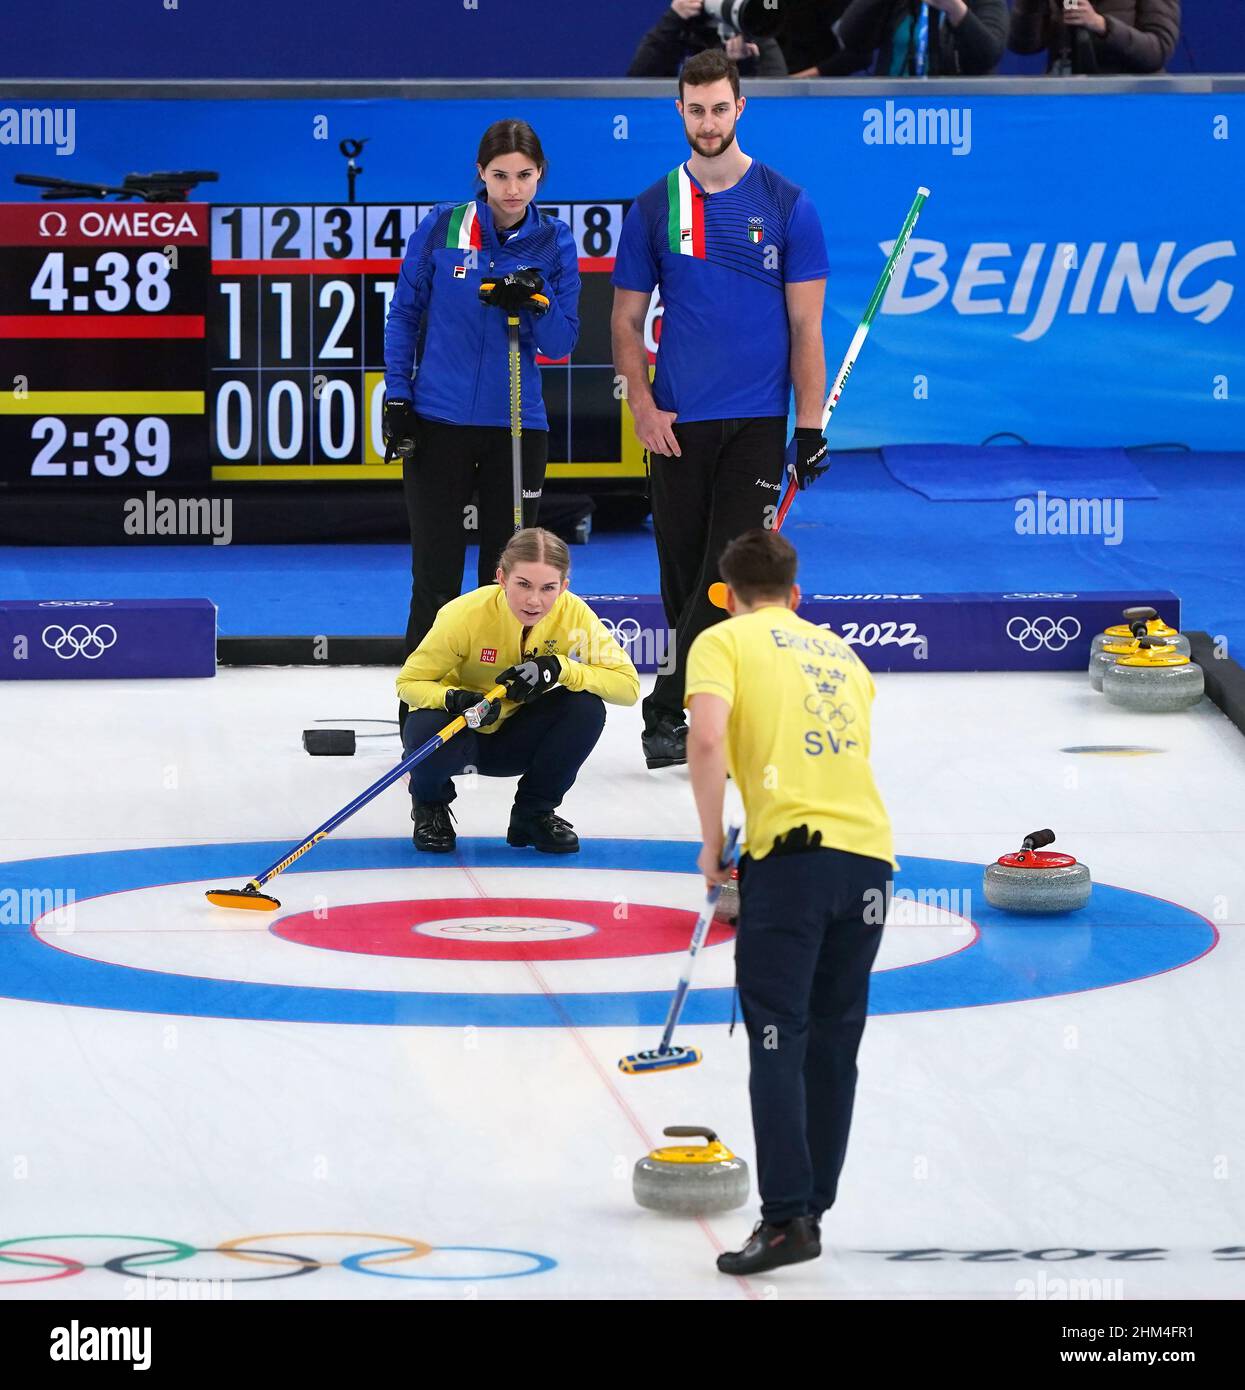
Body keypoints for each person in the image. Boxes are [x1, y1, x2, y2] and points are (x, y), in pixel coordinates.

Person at [684, 529, 896, 1276]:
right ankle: (810, 1206)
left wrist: (712, 845)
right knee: (834, 1039)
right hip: (870, 862)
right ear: (796, 594)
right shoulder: (843, 655)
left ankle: (784, 1221)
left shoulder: (723, 640)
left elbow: (706, 740)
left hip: (792, 868)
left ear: (727, 593)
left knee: (776, 1036)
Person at [611, 49, 830, 772]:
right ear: (679, 112)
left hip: (757, 427)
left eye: (719, 108)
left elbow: (806, 329)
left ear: (741, 109)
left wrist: (809, 426)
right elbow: (624, 321)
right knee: (682, 580)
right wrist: (641, 406)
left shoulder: (786, 204)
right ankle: (708, 706)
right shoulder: (652, 208)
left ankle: (664, 713)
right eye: (695, 109)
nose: (708, 122)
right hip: (675, 423)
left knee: (721, 574)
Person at [383, 119, 582, 734]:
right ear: (480, 174)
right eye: (500, 175)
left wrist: (536, 301)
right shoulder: (443, 227)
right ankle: (421, 705)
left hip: (517, 429)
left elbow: (563, 343)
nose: (512, 188)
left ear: (540, 175)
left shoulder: (553, 242)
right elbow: (404, 316)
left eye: (524, 176)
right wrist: (398, 397)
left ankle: (506, 702)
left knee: (511, 578)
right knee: (434, 572)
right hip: (439, 423)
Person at [395, 527, 639, 854]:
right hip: (461, 731)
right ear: (501, 577)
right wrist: (453, 698)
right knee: (425, 725)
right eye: (523, 584)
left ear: (564, 586)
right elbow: (408, 684)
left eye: (548, 588)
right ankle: (430, 805)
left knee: (586, 708)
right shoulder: (463, 614)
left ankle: (533, 812)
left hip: (518, 738)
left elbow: (627, 687)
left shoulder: (575, 614)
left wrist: (561, 668)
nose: (534, 600)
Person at [792, 0, 1006, 76]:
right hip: (891, 119)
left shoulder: (982, 2)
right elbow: (852, 37)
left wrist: (956, 9)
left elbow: (988, 55)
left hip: (958, 119)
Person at [1008, 0, 1179, 74]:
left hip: (1127, 102)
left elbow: (1159, 49)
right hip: (1065, 99)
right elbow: (1023, 46)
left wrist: (1102, 25)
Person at [627, 0, 789, 76]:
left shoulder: (746, 24)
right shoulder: (679, 27)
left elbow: (779, 91)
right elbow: (638, 79)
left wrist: (744, 64)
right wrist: (673, 19)